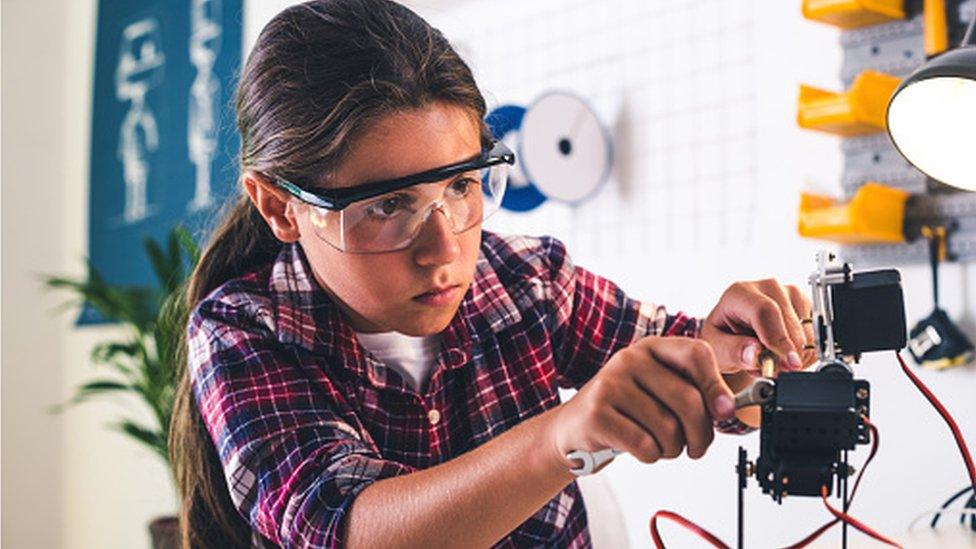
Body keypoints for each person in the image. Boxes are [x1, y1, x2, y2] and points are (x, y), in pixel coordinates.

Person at [169, 1, 815, 547]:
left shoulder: (525, 279)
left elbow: (704, 373)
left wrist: (745, 353)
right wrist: (559, 437)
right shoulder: (243, 330)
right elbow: (345, 526)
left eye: (461, 184)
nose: (443, 247)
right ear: (281, 207)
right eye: (389, 206)